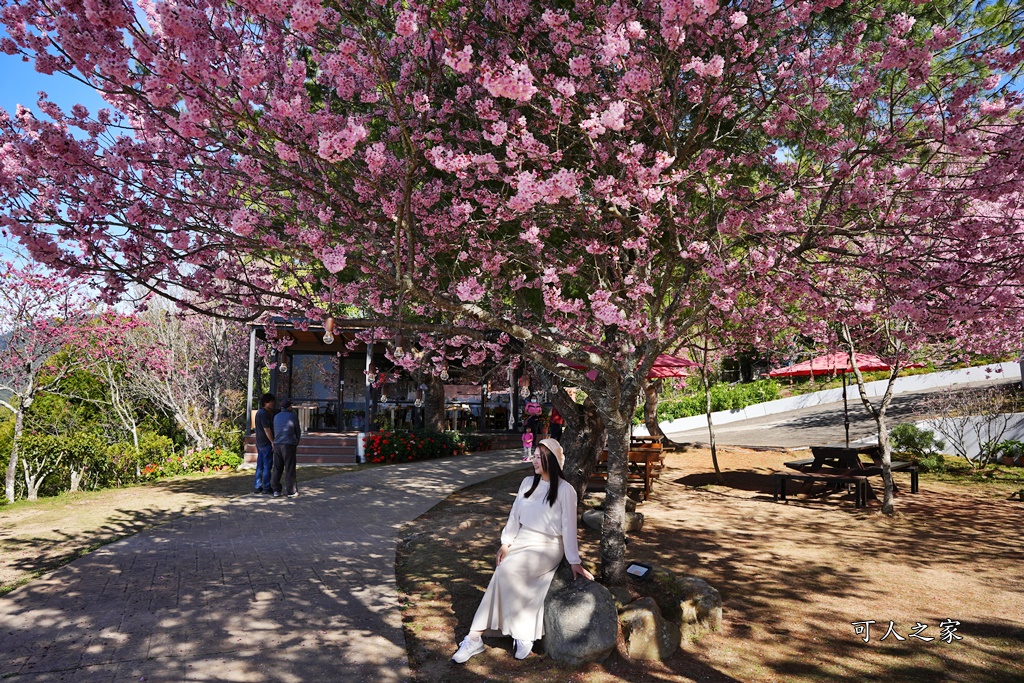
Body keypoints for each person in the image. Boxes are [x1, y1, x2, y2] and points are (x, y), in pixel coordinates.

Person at [452, 438, 594, 664]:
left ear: (551, 460)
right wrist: (506, 543)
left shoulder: (566, 491)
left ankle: (511, 634)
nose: (534, 461)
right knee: (503, 571)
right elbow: (514, 516)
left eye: (539, 457)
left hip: (548, 546)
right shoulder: (527, 483)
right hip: (523, 540)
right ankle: (476, 638)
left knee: (511, 572)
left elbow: (569, 527)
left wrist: (574, 560)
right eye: (534, 456)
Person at [271, 399, 302, 498]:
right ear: (289, 407)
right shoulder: (293, 416)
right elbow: (297, 431)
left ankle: (276, 490)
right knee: (289, 468)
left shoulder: (276, 416)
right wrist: (296, 442)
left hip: (277, 444)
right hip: (288, 444)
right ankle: (291, 491)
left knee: (277, 468)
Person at [253, 393, 276, 494]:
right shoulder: (264, 414)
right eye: (271, 402)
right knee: (267, 465)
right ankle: (266, 487)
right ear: (266, 402)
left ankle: (257, 486)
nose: (273, 404)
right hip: (265, 443)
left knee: (260, 465)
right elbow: (267, 430)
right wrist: (272, 442)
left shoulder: (260, 413)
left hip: (259, 442)